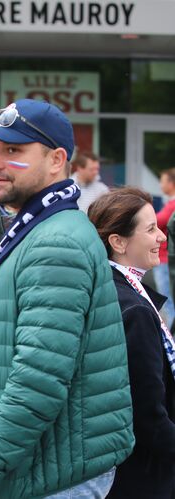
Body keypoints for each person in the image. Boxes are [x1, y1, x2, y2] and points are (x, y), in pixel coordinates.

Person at [0, 99, 134, 499]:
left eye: (14, 150)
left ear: (56, 160)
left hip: (49, 476)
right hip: (40, 464)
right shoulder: (39, 227)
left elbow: (40, 378)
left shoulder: (56, 241)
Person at [88, 187, 175, 498]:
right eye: (151, 229)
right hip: (140, 477)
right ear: (118, 241)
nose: (161, 238)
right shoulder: (134, 309)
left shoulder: (107, 287)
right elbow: (146, 413)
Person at [154, 167, 175, 327]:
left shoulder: (172, 205)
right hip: (165, 258)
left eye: (162, 181)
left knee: (168, 300)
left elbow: (157, 221)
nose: (160, 185)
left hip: (165, 258)